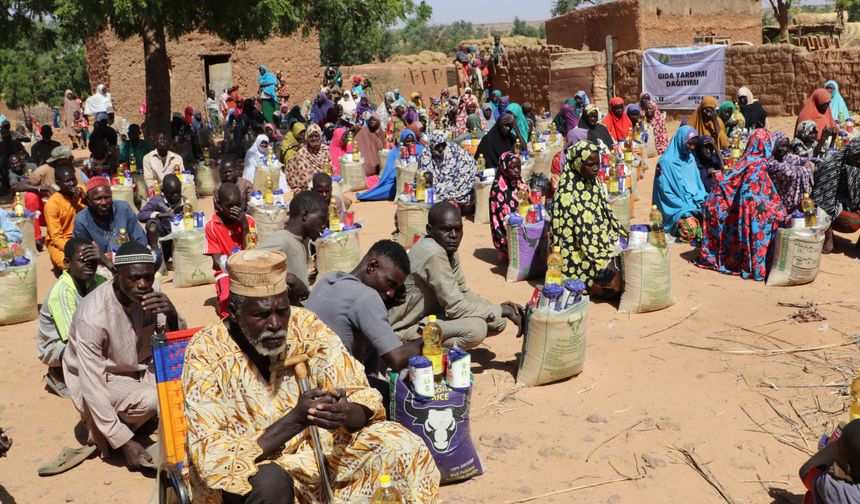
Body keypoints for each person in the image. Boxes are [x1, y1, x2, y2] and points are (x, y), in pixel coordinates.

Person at [181, 249, 440, 503]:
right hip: (247, 472)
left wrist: (346, 411)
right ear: (234, 312)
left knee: (400, 445)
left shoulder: (305, 325)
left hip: (311, 457)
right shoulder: (206, 350)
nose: (275, 324)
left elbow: (360, 394)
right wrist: (295, 420)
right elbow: (211, 456)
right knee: (270, 484)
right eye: (261, 314)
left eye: (282, 310)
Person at [62, 241, 184, 470]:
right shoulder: (92, 316)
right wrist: (125, 442)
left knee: (188, 375)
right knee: (154, 397)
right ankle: (113, 429)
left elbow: (173, 344)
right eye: (135, 278)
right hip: (105, 377)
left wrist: (171, 313)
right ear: (116, 274)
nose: (143, 284)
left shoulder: (152, 292)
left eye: (148, 277)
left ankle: (136, 417)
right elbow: (92, 385)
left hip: (139, 368)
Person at [389, 202, 523, 349]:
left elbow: (463, 291)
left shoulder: (449, 250)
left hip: (430, 316)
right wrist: (500, 310)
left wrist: (496, 309)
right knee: (476, 329)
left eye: (458, 229)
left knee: (497, 320)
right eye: (446, 230)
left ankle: (432, 345)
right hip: (404, 328)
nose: (453, 235)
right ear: (429, 230)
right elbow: (455, 307)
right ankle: (415, 350)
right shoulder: (432, 253)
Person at [307, 239, 420, 375]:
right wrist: (432, 338)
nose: (391, 293)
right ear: (372, 266)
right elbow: (397, 359)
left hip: (311, 376)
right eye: (390, 283)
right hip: (337, 383)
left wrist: (385, 305)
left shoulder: (329, 279)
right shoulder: (366, 297)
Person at [696, 129, 786, 280]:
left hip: (717, 205)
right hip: (724, 207)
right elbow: (748, 195)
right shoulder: (757, 164)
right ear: (764, 145)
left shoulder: (746, 159)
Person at [551, 141, 624, 297]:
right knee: (615, 280)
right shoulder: (565, 195)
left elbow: (605, 217)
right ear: (578, 163)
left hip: (600, 244)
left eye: (598, 163)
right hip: (578, 257)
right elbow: (575, 241)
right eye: (590, 164)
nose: (596, 168)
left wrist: (613, 243)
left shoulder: (593, 183)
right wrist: (604, 253)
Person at [38, 237, 107, 397]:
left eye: (93, 260)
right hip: (58, 346)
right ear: (67, 263)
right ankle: (58, 373)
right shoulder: (63, 291)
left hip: (88, 336)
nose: (89, 265)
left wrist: (106, 261)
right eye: (82, 261)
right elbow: (73, 337)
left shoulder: (97, 280)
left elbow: (122, 286)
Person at [259, 191, 327, 305]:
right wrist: (289, 279)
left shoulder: (300, 241)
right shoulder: (282, 240)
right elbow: (249, 265)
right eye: (322, 219)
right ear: (305, 215)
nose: (324, 225)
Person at [204, 183, 257, 318]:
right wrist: (233, 267)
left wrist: (244, 227)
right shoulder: (211, 226)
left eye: (237, 205)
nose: (235, 210)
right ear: (220, 206)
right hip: (225, 272)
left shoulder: (249, 221)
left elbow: (250, 253)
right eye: (229, 206)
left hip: (248, 269)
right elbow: (217, 262)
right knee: (228, 310)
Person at [653, 126, 708, 242]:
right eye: (690, 144)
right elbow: (666, 195)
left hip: (694, 205)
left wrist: (703, 202)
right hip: (676, 209)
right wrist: (688, 210)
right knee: (691, 229)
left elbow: (698, 186)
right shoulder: (665, 163)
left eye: (694, 145)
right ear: (680, 141)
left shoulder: (690, 159)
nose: (692, 148)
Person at [73, 177, 152, 258]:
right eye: (98, 199)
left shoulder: (123, 209)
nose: (104, 202)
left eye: (107, 197)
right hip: (99, 262)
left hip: (128, 258)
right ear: (89, 201)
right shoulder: (81, 220)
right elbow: (83, 253)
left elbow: (140, 239)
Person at [813, 138, 860, 254]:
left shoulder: (855, 165)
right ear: (851, 152)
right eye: (857, 156)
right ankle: (828, 236)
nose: (859, 160)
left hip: (849, 200)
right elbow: (823, 200)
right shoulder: (832, 166)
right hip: (830, 201)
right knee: (852, 222)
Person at [799, 419, 860, 503]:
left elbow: (806, 473)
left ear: (847, 467)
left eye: (838, 448)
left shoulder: (830, 486)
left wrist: (841, 440)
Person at [357, 129, 423, 202]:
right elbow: (390, 172)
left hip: (417, 180)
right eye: (407, 141)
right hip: (398, 181)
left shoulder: (420, 149)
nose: (410, 144)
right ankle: (365, 196)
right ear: (402, 141)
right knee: (389, 189)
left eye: (412, 141)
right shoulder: (395, 152)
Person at [416, 130, 477, 209]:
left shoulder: (453, 148)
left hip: (455, 181)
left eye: (443, 145)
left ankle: (456, 201)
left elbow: (469, 163)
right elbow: (425, 175)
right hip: (438, 185)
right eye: (438, 146)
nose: (441, 148)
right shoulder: (426, 154)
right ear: (432, 145)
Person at [45, 163, 88, 271]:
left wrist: (85, 199)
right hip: (62, 243)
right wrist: (73, 249)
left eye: (73, 179)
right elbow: (56, 237)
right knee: (68, 264)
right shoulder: (52, 204)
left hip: (84, 237)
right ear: (58, 183)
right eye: (67, 181)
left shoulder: (82, 191)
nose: (72, 183)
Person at [137, 174, 184, 264]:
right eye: (172, 193)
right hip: (164, 241)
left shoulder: (184, 202)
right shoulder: (157, 200)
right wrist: (163, 215)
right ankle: (157, 257)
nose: (176, 195)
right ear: (163, 191)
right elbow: (141, 215)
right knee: (152, 225)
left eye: (178, 192)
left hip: (179, 242)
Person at [8, 153, 50, 247]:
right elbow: (16, 187)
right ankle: (36, 237)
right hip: (27, 199)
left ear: (22, 161)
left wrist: (24, 186)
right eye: (13, 164)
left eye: (17, 162)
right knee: (27, 200)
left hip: (42, 197)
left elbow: (38, 181)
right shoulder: (12, 173)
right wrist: (34, 186)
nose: (15, 165)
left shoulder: (32, 166)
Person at [767, 131, 814, 214]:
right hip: (775, 202)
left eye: (787, 147)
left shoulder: (785, 157)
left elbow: (801, 159)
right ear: (773, 145)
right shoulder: (770, 161)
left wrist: (808, 162)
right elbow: (789, 172)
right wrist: (803, 169)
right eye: (782, 146)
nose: (785, 149)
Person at [489, 151, 523, 260]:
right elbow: (499, 219)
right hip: (507, 227)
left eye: (519, 167)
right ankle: (505, 249)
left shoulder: (520, 182)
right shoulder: (497, 190)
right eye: (513, 168)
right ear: (504, 168)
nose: (517, 170)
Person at [285, 124, 330, 191]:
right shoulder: (302, 153)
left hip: (325, 187)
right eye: (311, 136)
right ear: (307, 138)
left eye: (316, 136)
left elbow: (330, 169)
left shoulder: (325, 150)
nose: (314, 138)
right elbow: (292, 170)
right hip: (307, 190)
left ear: (320, 136)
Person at [354, 115, 384, 187]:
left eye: (374, 120)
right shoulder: (363, 131)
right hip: (365, 168)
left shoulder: (380, 132)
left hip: (378, 167)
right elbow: (354, 145)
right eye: (370, 120)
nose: (372, 122)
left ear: (379, 122)